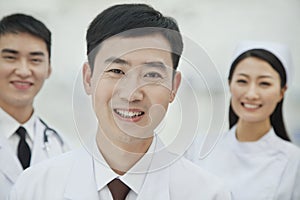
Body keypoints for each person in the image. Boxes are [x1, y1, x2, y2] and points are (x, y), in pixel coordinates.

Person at [9, 4, 231, 200]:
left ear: (174, 86)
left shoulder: (208, 193)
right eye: (116, 70)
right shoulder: (35, 188)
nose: (132, 93)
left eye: (152, 75)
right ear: (88, 78)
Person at [185, 41, 300, 200]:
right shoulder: (198, 149)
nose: (251, 93)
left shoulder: (294, 162)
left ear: (282, 91)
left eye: (264, 83)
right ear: (230, 84)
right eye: (242, 81)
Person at [0, 13, 69, 200]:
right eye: (10, 58)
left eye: (35, 60)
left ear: (48, 69)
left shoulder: (60, 148)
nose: (23, 71)